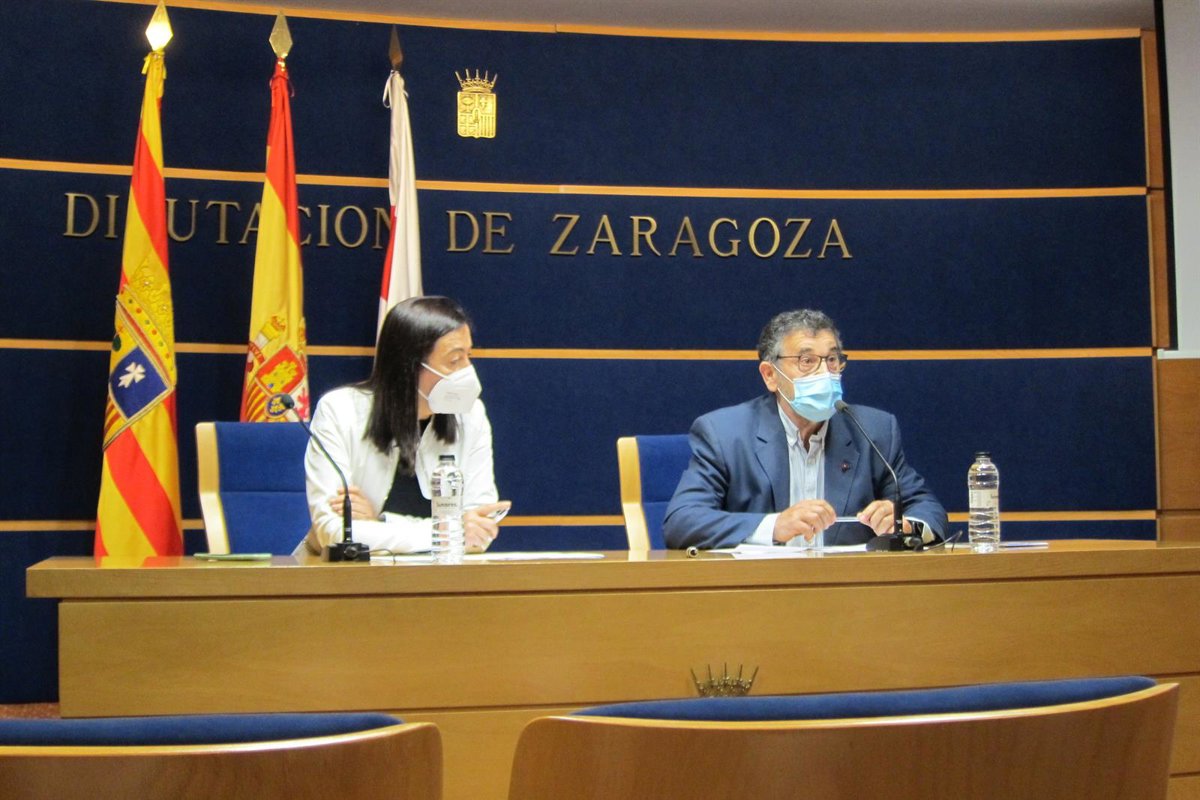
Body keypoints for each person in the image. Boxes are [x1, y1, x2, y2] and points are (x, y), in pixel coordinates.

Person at [663, 309, 946, 550]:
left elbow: (929, 510)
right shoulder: (725, 433)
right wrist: (775, 526)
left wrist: (906, 525)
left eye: (832, 360)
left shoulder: (874, 431)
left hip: (849, 590)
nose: (824, 373)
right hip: (760, 590)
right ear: (770, 375)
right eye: (807, 361)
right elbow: (682, 521)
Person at [300, 296, 509, 556]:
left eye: (469, 356)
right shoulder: (340, 410)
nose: (468, 370)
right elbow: (333, 533)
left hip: (443, 575)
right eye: (455, 360)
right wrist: (449, 531)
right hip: (347, 576)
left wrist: (380, 524)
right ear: (408, 366)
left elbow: (478, 533)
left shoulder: (471, 415)